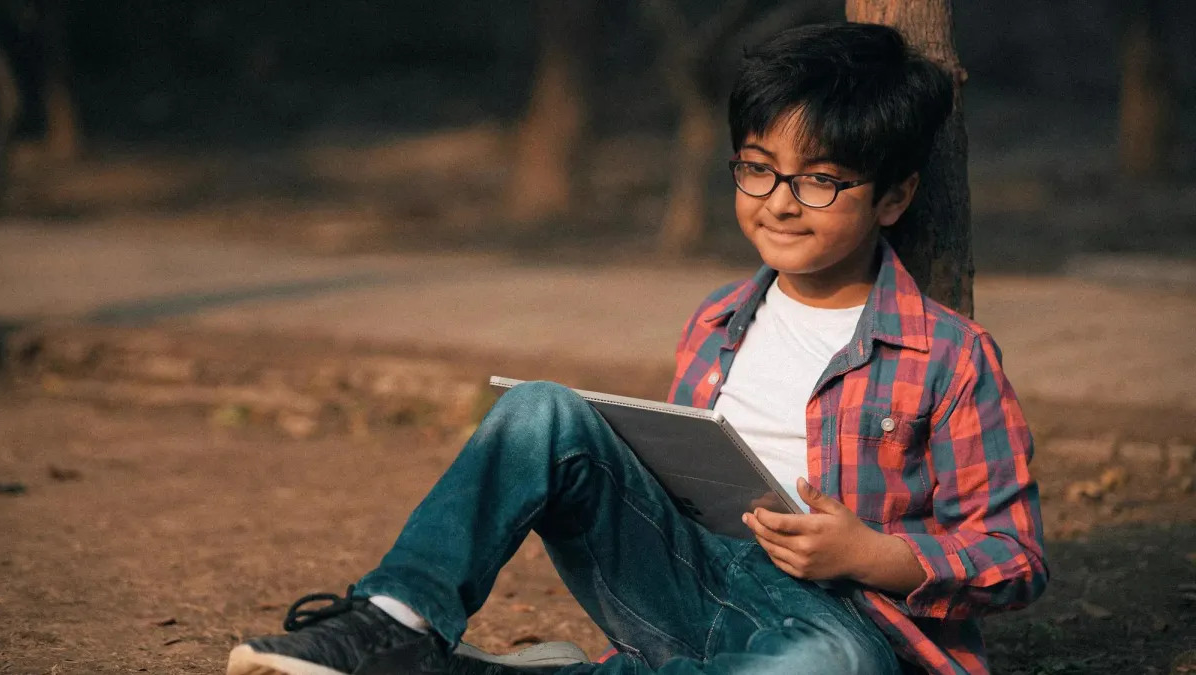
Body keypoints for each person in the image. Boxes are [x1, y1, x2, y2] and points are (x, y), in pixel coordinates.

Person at [226, 22, 1048, 675]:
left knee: (821, 665)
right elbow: (667, 491)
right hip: (687, 582)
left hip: (838, 622)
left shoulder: (949, 355)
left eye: (820, 181)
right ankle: (394, 623)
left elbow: (1013, 554)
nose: (780, 203)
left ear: (894, 196)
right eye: (758, 169)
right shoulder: (716, 322)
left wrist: (873, 554)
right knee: (540, 408)